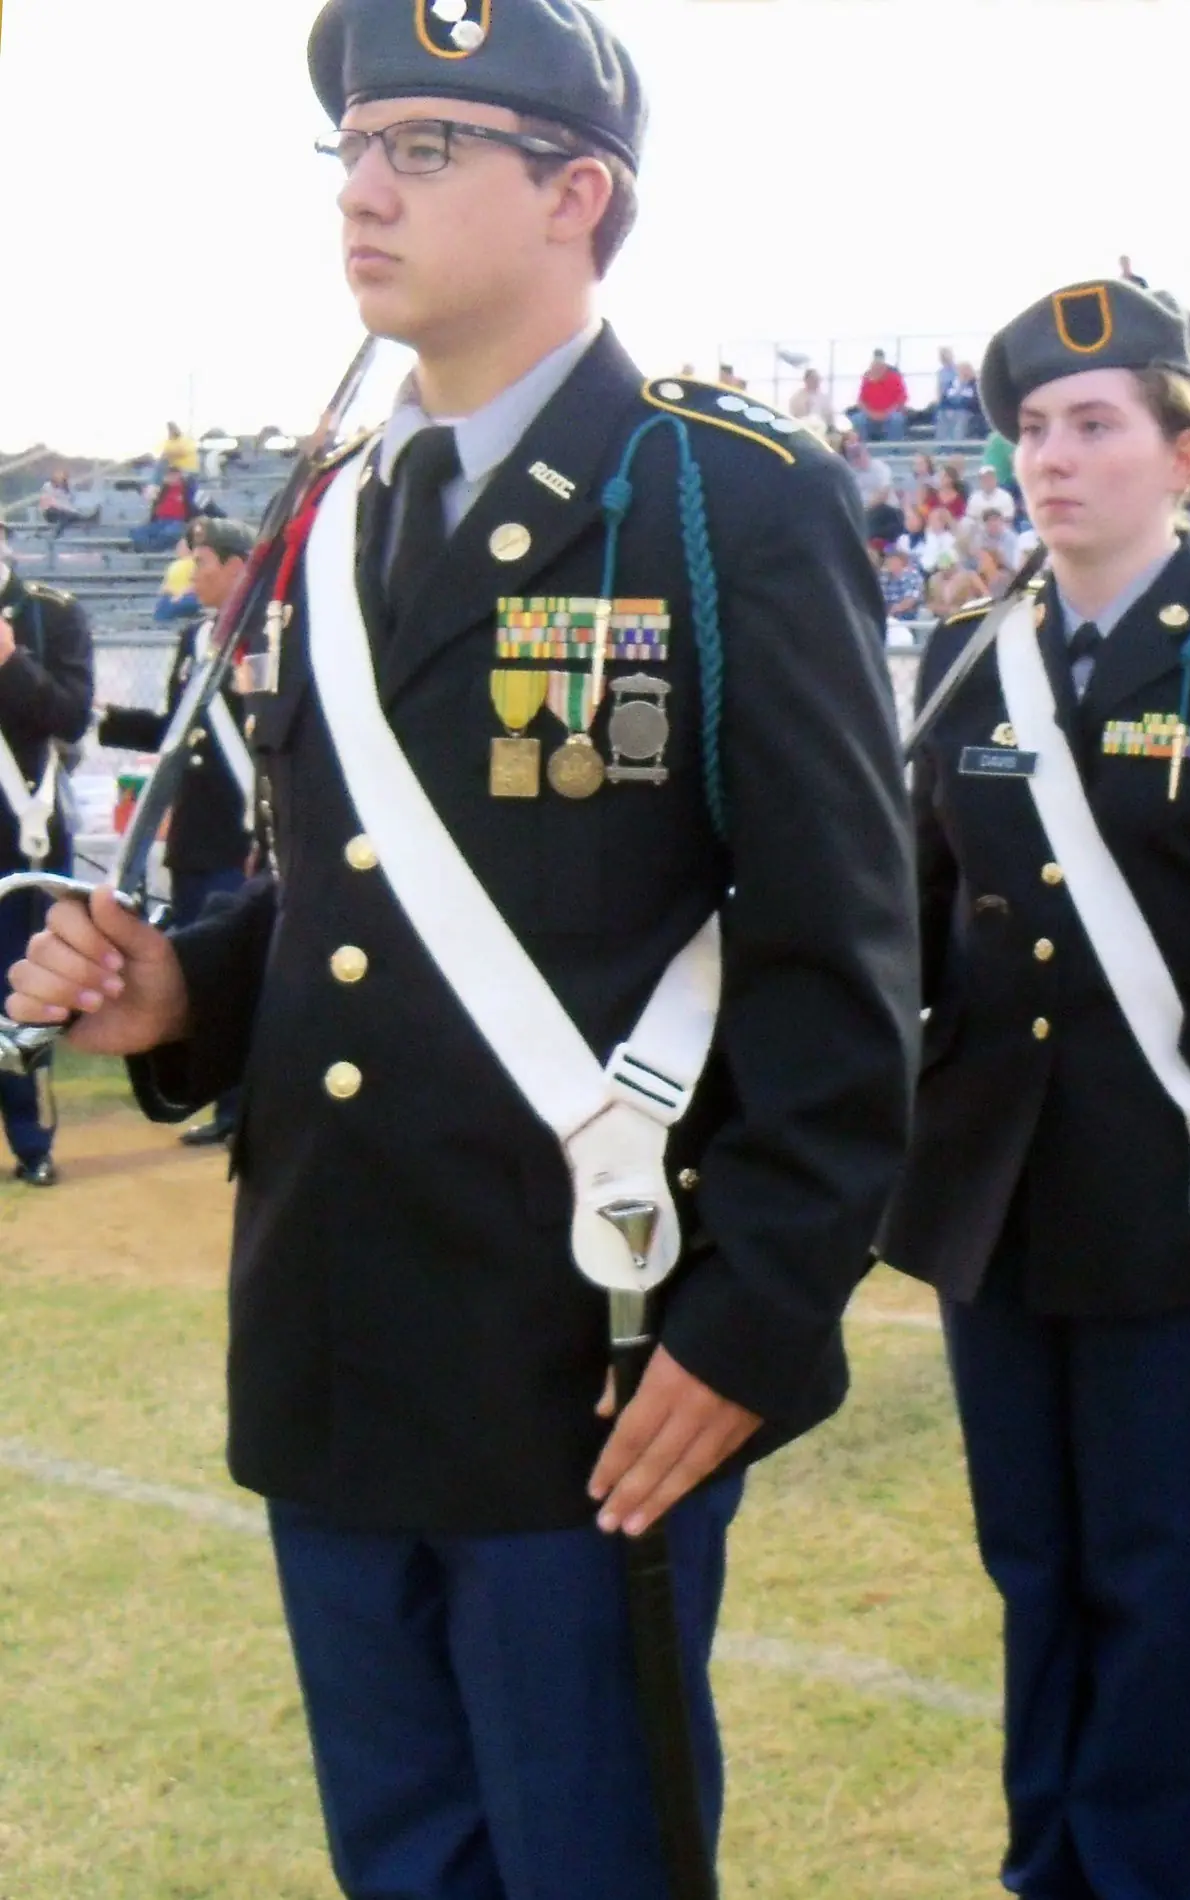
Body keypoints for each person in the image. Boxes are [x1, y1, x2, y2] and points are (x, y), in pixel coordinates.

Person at [4, 6, 919, 1898]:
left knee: (590, 1860)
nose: (359, 186)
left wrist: (750, 1328)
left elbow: (842, 953)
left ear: (579, 194)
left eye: (424, 145)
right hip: (338, 1331)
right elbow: (337, 898)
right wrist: (188, 993)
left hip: (583, 1356)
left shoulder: (725, 502)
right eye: (350, 145)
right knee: (403, 1863)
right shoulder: (338, 519)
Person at [879, 277, 1190, 1900]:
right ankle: (1049, 1863)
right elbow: (912, 923)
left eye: (1095, 425)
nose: (1053, 458)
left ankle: (1146, 1868)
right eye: (1031, 428)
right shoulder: (969, 657)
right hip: (997, 1203)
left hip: (1184, 1207)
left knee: (1162, 1575)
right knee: (1033, 1563)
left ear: (1185, 453)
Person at [97, 520, 257, 1150]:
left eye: (204, 561)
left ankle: (250, 1105)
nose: (193, 574)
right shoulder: (197, 641)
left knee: (246, 966)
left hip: (244, 830)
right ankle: (223, 1104)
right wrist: (109, 721)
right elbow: (177, 732)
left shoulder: (275, 628)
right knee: (200, 969)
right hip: (199, 831)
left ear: (241, 564)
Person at [0, 555, 94, 1187]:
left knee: (20, 987)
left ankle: (31, 1139)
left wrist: (10, 662)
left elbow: (70, 715)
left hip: (19, 835)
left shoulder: (50, 615)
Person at [853, 348, 909, 441]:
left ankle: (892, 452)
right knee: (857, 419)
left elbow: (902, 398)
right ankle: (862, 451)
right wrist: (871, 413)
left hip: (890, 413)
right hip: (870, 413)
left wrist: (887, 413)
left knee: (896, 419)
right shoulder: (867, 378)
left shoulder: (894, 377)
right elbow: (861, 400)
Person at [152, 537, 203, 622]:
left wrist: (180, 595)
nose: (179, 549)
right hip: (172, 596)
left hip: (190, 596)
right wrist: (166, 591)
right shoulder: (173, 565)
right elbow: (165, 584)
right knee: (162, 605)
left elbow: (196, 584)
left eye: (182, 546)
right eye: (179, 546)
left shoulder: (196, 563)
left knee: (178, 603)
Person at [788, 366, 837, 435]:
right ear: (806, 380)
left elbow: (830, 418)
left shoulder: (824, 398)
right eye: (813, 379)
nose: (816, 382)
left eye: (817, 379)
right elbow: (793, 416)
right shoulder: (797, 397)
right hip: (803, 429)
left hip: (823, 429)